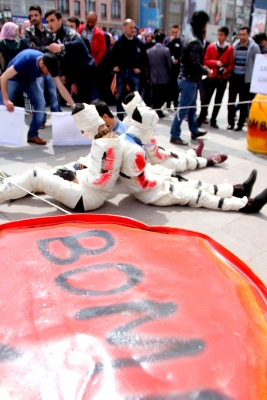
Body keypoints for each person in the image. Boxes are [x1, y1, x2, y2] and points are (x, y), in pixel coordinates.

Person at [119, 100, 267, 213]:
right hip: (153, 192)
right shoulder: (135, 150)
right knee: (199, 196)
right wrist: (166, 179)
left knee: (195, 184)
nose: (152, 132)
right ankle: (247, 205)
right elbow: (142, 183)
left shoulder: (128, 140)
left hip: (155, 182)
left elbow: (144, 170)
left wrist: (167, 174)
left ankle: (237, 190)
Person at [0, 104, 123, 212]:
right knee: (58, 171)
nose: (82, 133)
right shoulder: (105, 137)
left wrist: (74, 177)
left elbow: (101, 183)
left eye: (82, 129)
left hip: (87, 198)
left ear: (90, 124)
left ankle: (5, 189)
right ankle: (13, 183)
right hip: (87, 190)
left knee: (36, 175)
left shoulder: (107, 145)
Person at [123, 92, 227, 173]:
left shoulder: (129, 123)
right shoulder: (139, 127)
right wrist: (165, 153)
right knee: (178, 162)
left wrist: (161, 150)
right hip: (150, 165)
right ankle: (207, 161)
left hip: (149, 156)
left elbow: (148, 145)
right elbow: (152, 152)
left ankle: (194, 153)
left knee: (172, 152)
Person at [0, 49, 75, 144]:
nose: (48, 74)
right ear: (41, 63)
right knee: (2, 105)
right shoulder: (26, 59)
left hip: (30, 80)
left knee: (41, 104)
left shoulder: (50, 65)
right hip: (13, 78)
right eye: (47, 71)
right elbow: (3, 77)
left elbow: (60, 87)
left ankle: (32, 135)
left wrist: (73, 105)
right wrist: (6, 100)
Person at [170, 11, 212, 146]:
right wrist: (206, 70)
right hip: (188, 80)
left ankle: (194, 130)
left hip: (187, 78)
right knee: (183, 109)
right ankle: (174, 134)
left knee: (192, 108)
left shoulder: (190, 36)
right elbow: (194, 64)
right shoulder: (195, 41)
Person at [45, 9, 97, 104]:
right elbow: (65, 60)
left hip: (86, 73)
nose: (50, 24)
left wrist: (62, 47)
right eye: (48, 22)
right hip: (74, 75)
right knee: (77, 105)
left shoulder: (69, 32)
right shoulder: (55, 37)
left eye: (52, 20)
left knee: (85, 106)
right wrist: (66, 76)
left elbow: (79, 42)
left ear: (60, 20)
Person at [26, 5, 61, 129]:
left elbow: (54, 49)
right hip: (37, 70)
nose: (33, 18)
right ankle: (41, 120)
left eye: (36, 15)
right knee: (39, 96)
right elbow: (31, 48)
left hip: (50, 68)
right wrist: (47, 47)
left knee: (53, 95)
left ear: (41, 16)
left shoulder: (49, 32)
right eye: (31, 16)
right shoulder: (29, 32)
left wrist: (41, 48)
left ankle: (58, 120)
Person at [197, 26, 234, 129]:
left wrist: (227, 69)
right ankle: (201, 117)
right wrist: (216, 63)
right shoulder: (211, 46)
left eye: (222, 35)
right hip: (212, 76)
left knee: (218, 100)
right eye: (218, 34)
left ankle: (214, 119)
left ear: (226, 36)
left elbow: (231, 63)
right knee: (206, 99)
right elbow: (205, 61)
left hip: (223, 77)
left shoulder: (230, 48)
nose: (219, 37)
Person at [110, 19, 147, 119]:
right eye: (130, 28)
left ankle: (134, 118)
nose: (133, 30)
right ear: (124, 28)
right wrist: (114, 68)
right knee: (120, 97)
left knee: (135, 98)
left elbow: (145, 59)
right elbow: (112, 57)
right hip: (121, 73)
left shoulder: (139, 43)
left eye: (134, 28)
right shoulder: (119, 42)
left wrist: (140, 69)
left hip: (134, 73)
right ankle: (120, 118)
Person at [227, 26, 260, 131]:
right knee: (231, 101)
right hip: (234, 77)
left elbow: (257, 63)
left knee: (243, 102)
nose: (241, 37)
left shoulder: (254, 47)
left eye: (243, 34)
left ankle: (240, 124)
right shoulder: (235, 45)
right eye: (240, 34)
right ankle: (230, 123)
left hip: (246, 79)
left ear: (248, 34)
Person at [147, 32, 172, 118]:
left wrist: (148, 76)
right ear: (163, 39)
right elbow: (169, 65)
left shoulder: (149, 51)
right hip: (164, 77)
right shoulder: (166, 50)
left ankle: (156, 109)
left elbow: (147, 66)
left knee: (155, 95)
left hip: (153, 77)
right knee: (163, 95)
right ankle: (158, 110)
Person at [165, 24, 183, 110]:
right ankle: (167, 104)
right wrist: (170, 42)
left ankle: (176, 104)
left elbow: (183, 54)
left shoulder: (181, 41)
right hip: (168, 68)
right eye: (173, 32)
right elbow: (164, 50)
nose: (174, 34)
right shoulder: (167, 40)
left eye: (176, 32)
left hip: (177, 68)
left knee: (176, 87)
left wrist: (178, 60)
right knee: (168, 87)